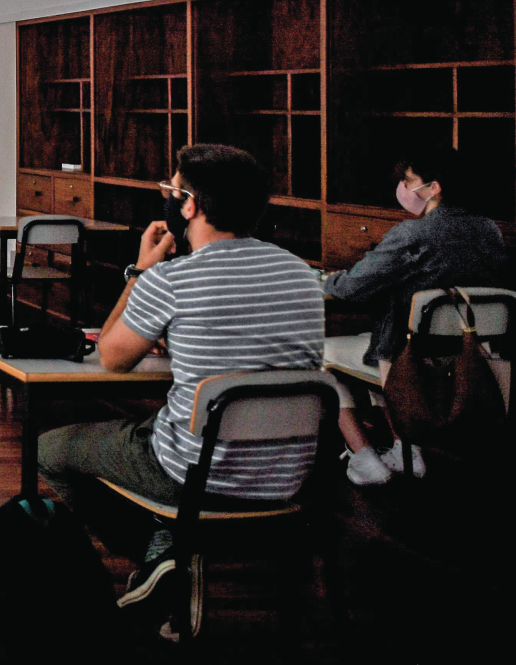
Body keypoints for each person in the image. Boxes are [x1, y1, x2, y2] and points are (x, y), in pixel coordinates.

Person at [37, 143, 325, 614]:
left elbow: (112, 357)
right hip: (288, 475)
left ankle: (163, 556)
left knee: (50, 450)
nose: (169, 199)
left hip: (194, 474)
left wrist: (139, 272)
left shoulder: (170, 279)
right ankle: (171, 555)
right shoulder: (302, 276)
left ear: (189, 205)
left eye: (172, 190)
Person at [321, 147, 510, 485]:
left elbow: (351, 287)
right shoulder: (489, 231)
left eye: (409, 181)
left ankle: (365, 457)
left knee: (323, 354)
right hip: (471, 361)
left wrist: (326, 278)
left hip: (409, 364)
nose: (403, 189)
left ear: (433, 187)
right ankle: (403, 447)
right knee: (377, 346)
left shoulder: (412, 234)